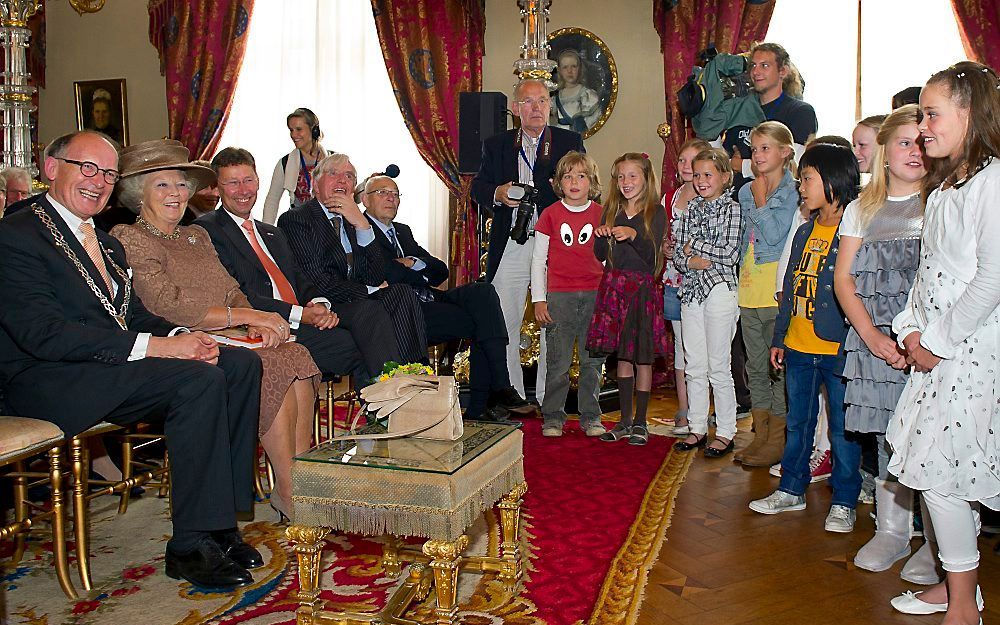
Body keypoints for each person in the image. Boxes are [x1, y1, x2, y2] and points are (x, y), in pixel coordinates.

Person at [0, 130, 263, 589]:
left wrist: (187, 335)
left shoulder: (105, 243)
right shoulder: (18, 235)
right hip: (44, 378)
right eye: (87, 168)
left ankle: (221, 523)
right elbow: (42, 334)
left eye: (107, 173)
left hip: (104, 368)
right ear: (50, 167)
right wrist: (161, 347)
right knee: (195, 382)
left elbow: (133, 315)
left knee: (236, 363)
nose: (98, 181)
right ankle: (189, 544)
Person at [110, 139, 320, 522]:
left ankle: (299, 480)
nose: (175, 194)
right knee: (270, 365)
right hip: (183, 339)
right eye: (162, 186)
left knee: (294, 353)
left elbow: (231, 287)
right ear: (138, 194)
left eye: (179, 186)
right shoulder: (129, 237)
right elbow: (165, 304)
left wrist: (257, 318)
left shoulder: (196, 235)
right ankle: (288, 493)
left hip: (229, 329)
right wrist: (245, 317)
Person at [885, 61, 1000, 624]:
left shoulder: (993, 181)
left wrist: (937, 341)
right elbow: (928, 272)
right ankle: (958, 589)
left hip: (969, 353)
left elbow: (992, 278)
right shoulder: (946, 184)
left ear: (969, 113)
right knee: (944, 475)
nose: (923, 125)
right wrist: (907, 326)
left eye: (932, 114)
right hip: (935, 349)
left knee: (944, 476)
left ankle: (963, 609)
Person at [833, 105, 934, 576]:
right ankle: (892, 530)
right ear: (885, 153)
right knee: (888, 437)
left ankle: (938, 543)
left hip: (929, 343)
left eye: (921, 141)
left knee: (932, 438)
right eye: (903, 142)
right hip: (876, 341)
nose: (914, 150)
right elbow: (844, 281)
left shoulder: (941, 200)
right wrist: (871, 336)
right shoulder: (861, 208)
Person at [197, 147, 378, 387]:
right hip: (260, 324)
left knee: (368, 327)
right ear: (217, 187)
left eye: (248, 180)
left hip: (299, 319)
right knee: (359, 342)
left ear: (258, 181)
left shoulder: (271, 232)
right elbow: (237, 293)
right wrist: (303, 315)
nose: (243, 190)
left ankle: (388, 406)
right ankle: (389, 408)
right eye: (233, 182)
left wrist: (318, 304)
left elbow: (298, 279)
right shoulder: (207, 230)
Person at [750, 144, 862, 533]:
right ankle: (791, 489)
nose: (801, 186)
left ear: (832, 181)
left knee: (842, 429)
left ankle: (845, 499)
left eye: (808, 179)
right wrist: (780, 338)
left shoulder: (854, 231)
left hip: (837, 349)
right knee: (798, 422)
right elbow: (789, 289)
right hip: (798, 345)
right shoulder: (803, 231)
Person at [359, 170, 529, 422]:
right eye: (383, 193)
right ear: (365, 199)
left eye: (395, 194)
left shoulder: (402, 231)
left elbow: (439, 269)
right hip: (402, 312)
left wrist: (412, 263)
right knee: (482, 321)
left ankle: (498, 388)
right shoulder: (360, 232)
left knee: (482, 292)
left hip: (429, 299)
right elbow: (384, 273)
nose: (391, 199)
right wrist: (414, 270)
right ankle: (489, 399)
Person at [471, 79, 586, 408]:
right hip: (512, 242)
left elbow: (585, 185)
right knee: (503, 319)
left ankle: (551, 398)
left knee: (554, 322)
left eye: (542, 101)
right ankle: (514, 396)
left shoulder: (568, 140)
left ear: (550, 106)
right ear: (517, 109)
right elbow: (478, 188)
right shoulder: (497, 145)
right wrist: (498, 193)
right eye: (528, 102)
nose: (536, 108)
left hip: (555, 245)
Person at [278, 152, 427, 365]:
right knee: (371, 310)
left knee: (402, 293)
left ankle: (411, 375)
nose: (342, 180)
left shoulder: (352, 219)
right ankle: (392, 384)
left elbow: (375, 276)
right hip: (324, 304)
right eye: (333, 174)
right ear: (316, 184)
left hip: (353, 298)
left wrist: (363, 226)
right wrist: (370, 290)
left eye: (349, 176)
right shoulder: (297, 219)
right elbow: (319, 283)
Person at [587, 152, 668, 446]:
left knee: (642, 357)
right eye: (621, 177)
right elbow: (599, 255)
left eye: (632, 176)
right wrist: (601, 235)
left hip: (642, 290)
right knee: (622, 356)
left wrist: (634, 234)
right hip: (614, 288)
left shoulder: (655, 213)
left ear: (646, 178)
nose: (626, 182)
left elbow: (652, 257)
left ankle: (640, 422)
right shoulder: (610, 209)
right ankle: (622, 421)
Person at [734, 121, 799, 467]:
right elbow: (745, 240)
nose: (757, 155)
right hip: (748, 289)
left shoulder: (792, 193)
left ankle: (778, 441)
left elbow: (775, 238)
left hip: (775, 292)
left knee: (778, 370)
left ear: (785, 152)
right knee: (755, 368)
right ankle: (760, 437)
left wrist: (760, 203)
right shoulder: (746, 192)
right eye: (754, 149)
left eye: (765, 148)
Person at [670, 148, 742, 457]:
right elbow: (677, 255)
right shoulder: (689, 209)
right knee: (693, 363)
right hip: (691, 290)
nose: (701, 180)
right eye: (697, 174)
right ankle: (697, 427)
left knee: (718, 365)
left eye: (708, 174)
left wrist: (695, 247)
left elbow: (730, 254)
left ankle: (726, 431)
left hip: (721, 290)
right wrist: (691, 261)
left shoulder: (732, 210)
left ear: (725, 177)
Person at [530, 151, 607, 437]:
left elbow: (608, 258)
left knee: (592, 361)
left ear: (591, 182)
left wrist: (608, 299)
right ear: (559, 183)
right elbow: (539, 261)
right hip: (559, 297)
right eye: (568, 176)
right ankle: (552, 416)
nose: (574, 182)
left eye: (581, 176)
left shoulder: (601, 213)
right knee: (558, 362)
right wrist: (539, 299)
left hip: (594, 295)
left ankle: (591, 416)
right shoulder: (550, 215)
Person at [663, 138, 712, 437]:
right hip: (673, 280)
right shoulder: (671, 197)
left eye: (692, 161)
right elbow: (662, 233)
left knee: (703, 347)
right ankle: (685, 408)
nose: (685, 166)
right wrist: (666, 247)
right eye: (681, 160)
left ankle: (703, 408)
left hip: (701, 280)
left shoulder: (712, 200)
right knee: (682, 346)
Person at [729, 42, 818, 189]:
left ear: (783, 71)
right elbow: (724, 161)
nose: (756, 72)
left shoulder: (800, 112)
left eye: (764, 66)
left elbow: (789, 166)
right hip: (736, 200)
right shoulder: (739, 110)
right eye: (753, 65)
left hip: (775, 204)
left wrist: (742, 165)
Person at [262, 108, 327, 225]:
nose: (293, 135)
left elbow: (350, 193)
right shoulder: (285, 163)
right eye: (291, 130)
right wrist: (267, 232)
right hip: (299, 224)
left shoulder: (333, 159)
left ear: (314, 130)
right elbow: (272, 200)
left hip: (328, 224)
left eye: (298, 129)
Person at [550, 48, 601, 133]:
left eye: (573, 66)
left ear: (579, 68)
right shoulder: (555, 98)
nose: (569, 71)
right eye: (565, 67)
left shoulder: (587, 95)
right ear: (559, 70)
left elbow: (593, 122)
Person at [182, 159, 220, 224]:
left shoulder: (224, 221)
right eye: (205, 186)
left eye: (217, 187)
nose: (214, 194)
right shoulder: (176, 222)